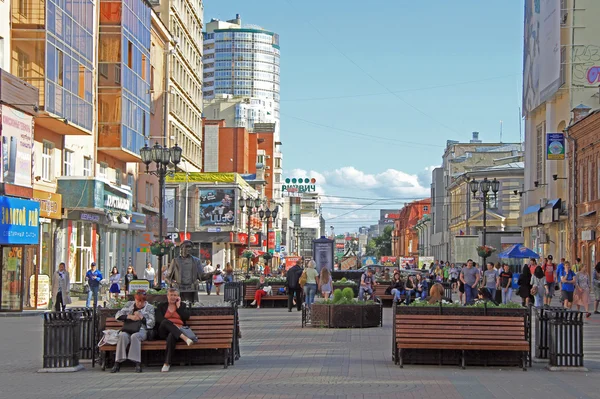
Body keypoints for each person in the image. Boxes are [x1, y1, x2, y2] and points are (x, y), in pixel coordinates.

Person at [111, 290, 155, 373]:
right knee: (122, 335)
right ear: (135, 299)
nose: (140, 304)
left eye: (142, 301)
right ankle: (118, 362)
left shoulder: (149, 307)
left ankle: (137, 363)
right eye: (138, 301)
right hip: (128, 329)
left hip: (141, 330)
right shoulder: (129, 305)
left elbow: (151, 323)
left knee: (135, 336)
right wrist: (129, 317)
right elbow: (118, 316)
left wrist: (142, 318)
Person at [155, 288, 195, 372]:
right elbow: (159, 320)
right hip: (163, 331)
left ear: (178, 297)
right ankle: (185, 339)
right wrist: (173, 326)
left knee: (172, 335)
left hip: (177, 332)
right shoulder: (161, 306)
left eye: (175, 295)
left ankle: (166, 363)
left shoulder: (182, 305)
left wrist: (179, 306)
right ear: (167, 296)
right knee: (166, 322)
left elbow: (186, 317)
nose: (173, 297)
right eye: (171, 295)